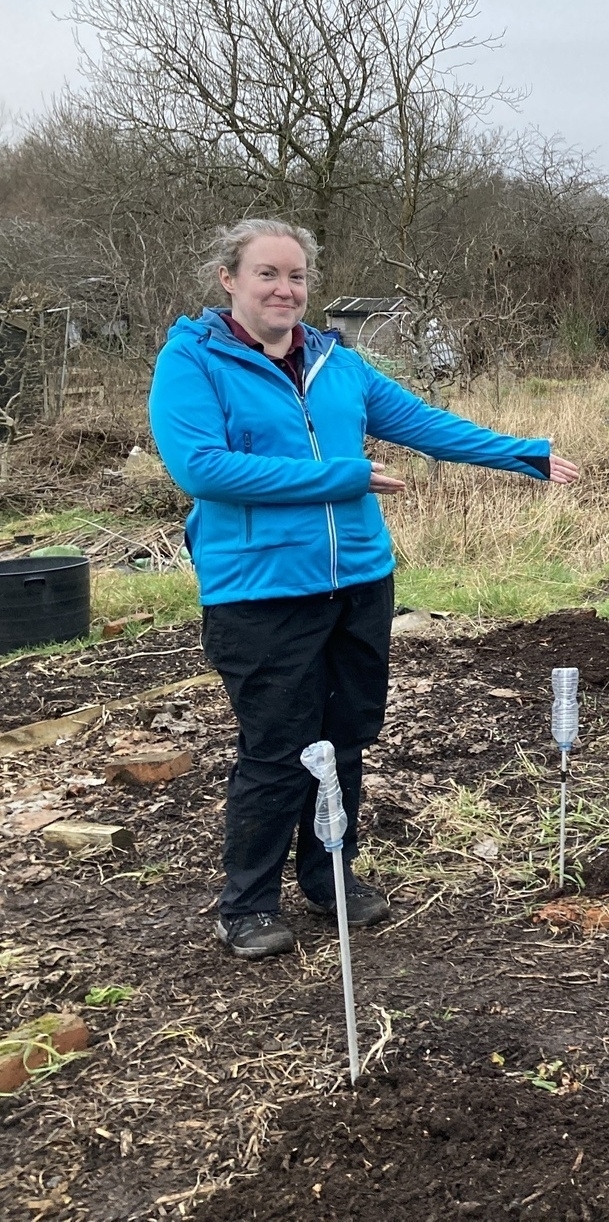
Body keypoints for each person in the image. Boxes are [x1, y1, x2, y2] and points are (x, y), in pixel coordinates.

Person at [149, 219, 581, 959]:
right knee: (277, 746)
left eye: (297, 277)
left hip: (358, 581)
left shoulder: (334, 363)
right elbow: (202, 469)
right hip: (259, 592)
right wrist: (340, 476)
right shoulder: (193, 362)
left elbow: (420, 423)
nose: (285, 289)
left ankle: (329, 877)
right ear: (229, 278)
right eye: (267, 274)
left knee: (346, 736)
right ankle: (247, 904)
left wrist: (524, 454)